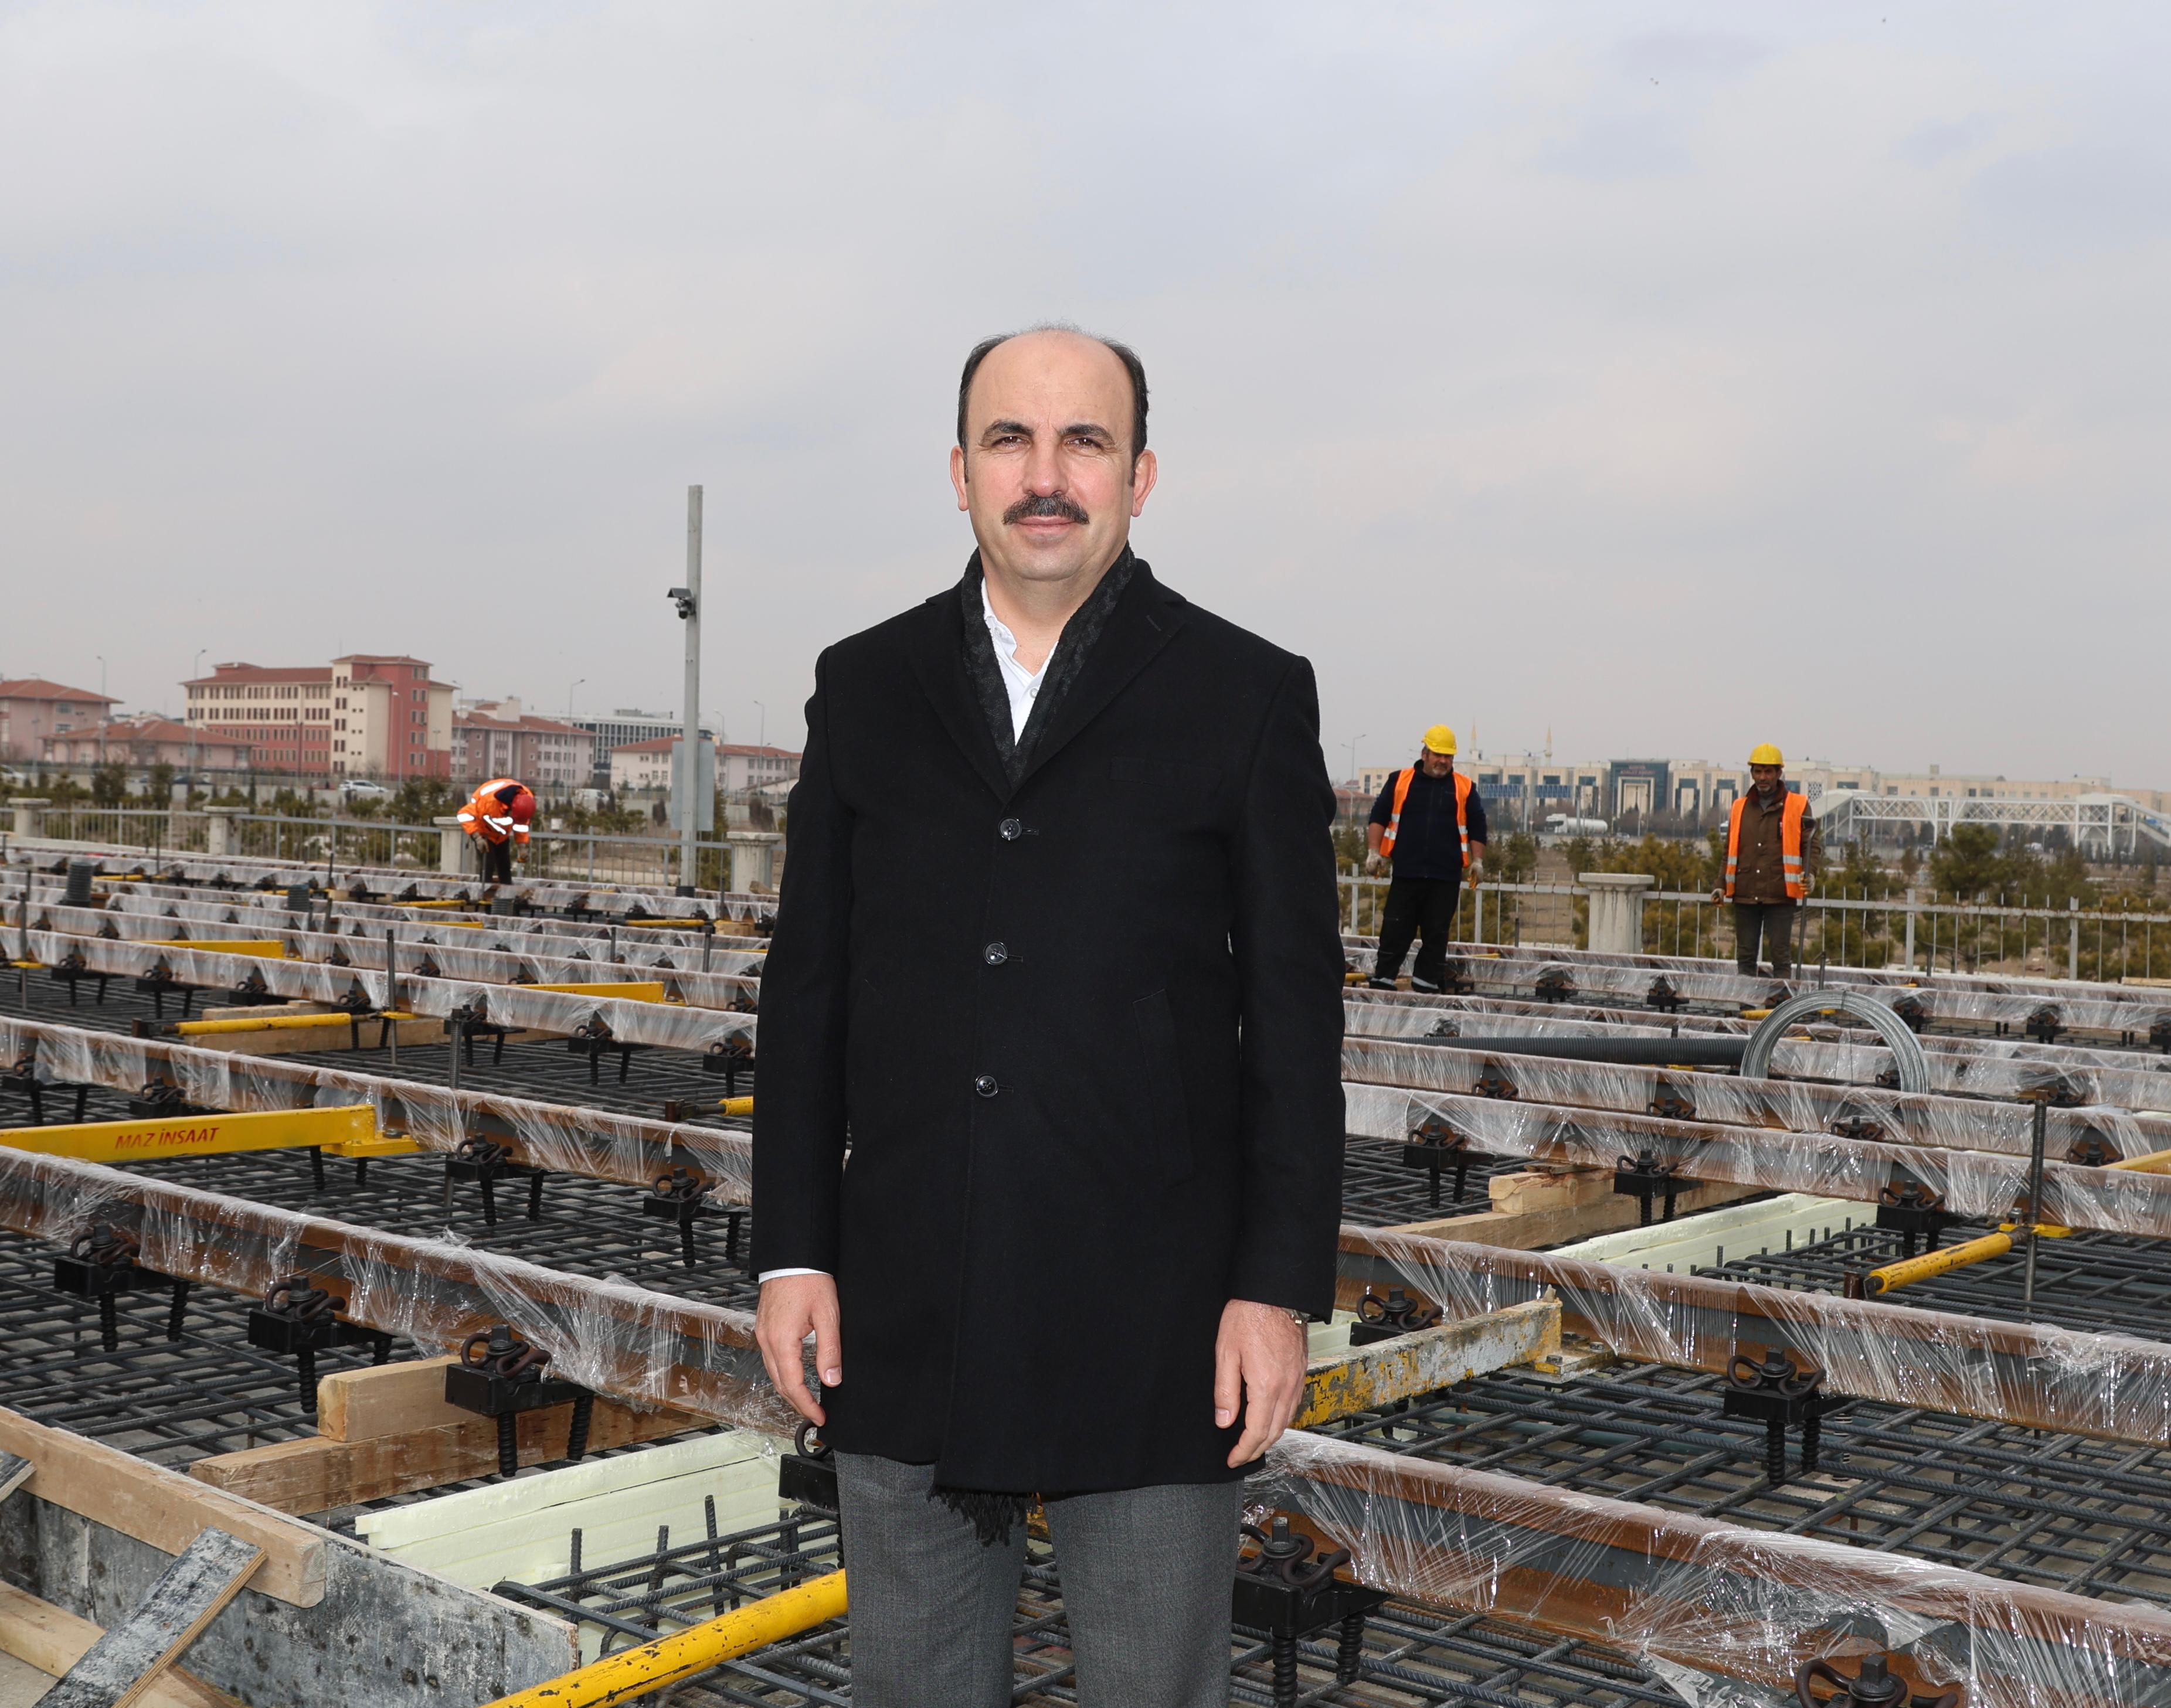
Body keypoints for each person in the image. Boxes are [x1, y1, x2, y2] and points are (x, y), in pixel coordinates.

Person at [752, 326, 1345, 1708]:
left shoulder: (1244, 693)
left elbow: (1292, 1016)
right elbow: (810, 984)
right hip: (907, 1293)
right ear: (959, 470)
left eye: (1085, 440)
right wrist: (795, 1250)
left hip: (1156, 1314)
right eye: (1010, 438)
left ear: (1141, 475)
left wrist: (1272, 1289)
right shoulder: (867, 684)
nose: (1045, 475)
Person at [1362, 725, 1486, 991]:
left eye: (1448, 756)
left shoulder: (1464, 787)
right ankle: (1383, 981)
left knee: (1436, 934)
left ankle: (1426, 986)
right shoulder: (1400, 781)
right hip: (1407, 871)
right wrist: (1374, 852)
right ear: (1425, 754)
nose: (1443, 761)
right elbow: (1379, 816)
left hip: (1445, 875)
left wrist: (1478, 861)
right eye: (1438, 755)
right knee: (1395, 929)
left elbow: (1478, 825)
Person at [1710, 743, 1821, 978]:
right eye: (1758, 771)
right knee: (1745, 957)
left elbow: (1811, 845)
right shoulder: (1739, 807)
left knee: (1780, 957)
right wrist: (1720, 885)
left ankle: (1782, 1000)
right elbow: (1729, 850)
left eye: (1768, 771)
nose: (1763, 777)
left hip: (1780, 893)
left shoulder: (1798, 805)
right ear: (1752, 773)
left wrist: (1810, 873)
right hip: (1745, 893)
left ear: (1779, 773)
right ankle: (1747, 1000)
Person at [457, 777, 535, 884]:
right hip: (482, 830)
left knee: (505, 864)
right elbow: (464, 815)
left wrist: (522, 847)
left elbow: (521, 825)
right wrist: (477, 838)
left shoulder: (526, 801)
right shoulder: (489, 803)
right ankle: (485, 891)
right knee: (488, 864)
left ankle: (506, 890)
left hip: (501, 835)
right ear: (510, 807)